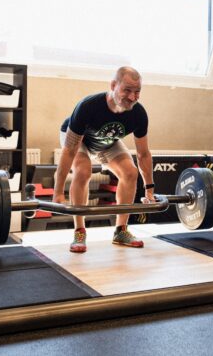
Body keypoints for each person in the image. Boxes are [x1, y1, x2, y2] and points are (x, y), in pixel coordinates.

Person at [54, 66, 155, 253]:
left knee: (130, 172)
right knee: (83, 171)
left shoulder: (138, 114)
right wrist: (58, 192)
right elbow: (68, 152)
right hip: (79, 140)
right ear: (113, 85)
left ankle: (121, 231)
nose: (132, 97)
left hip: (107, 142)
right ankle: (79, 231)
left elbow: (143, 154)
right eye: (127, 90)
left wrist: (150, 191)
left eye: (137, 92)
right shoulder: (88, 106)